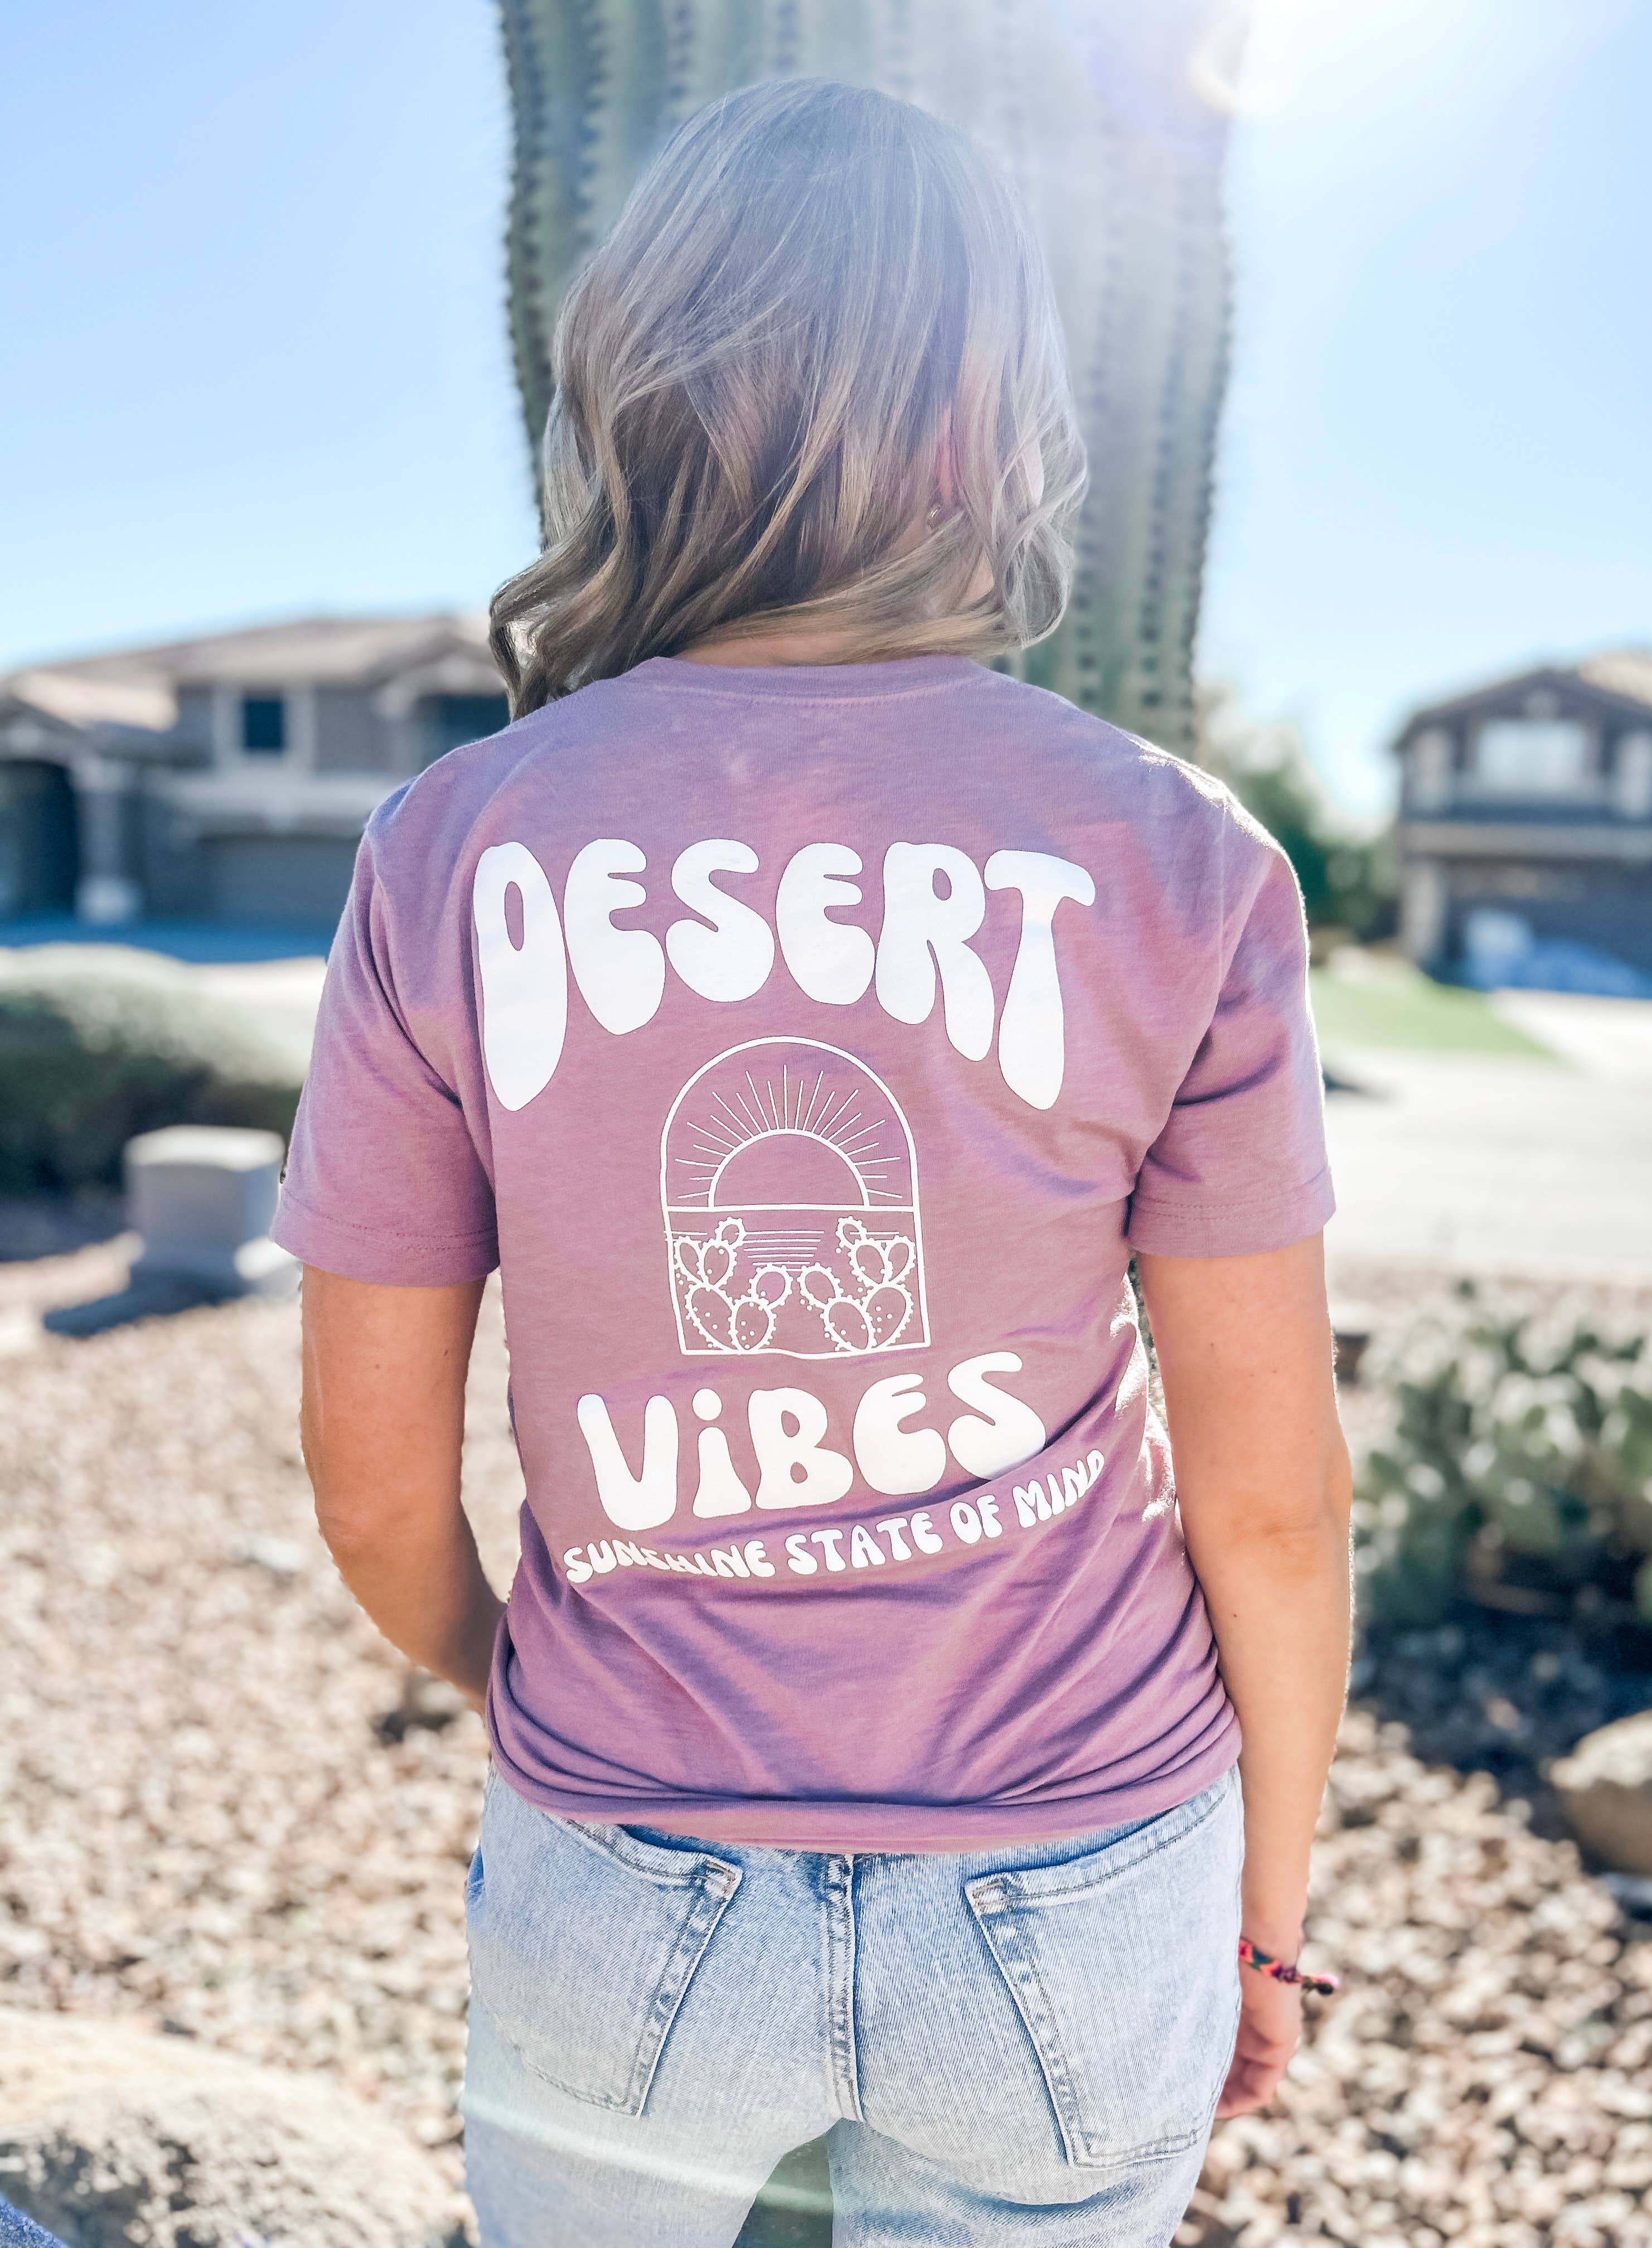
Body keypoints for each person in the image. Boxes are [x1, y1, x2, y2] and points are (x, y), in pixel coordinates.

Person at [277, 77, 1351, 2248]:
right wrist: (1267, 1909)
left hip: (628, 1868)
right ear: (993, 425)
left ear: (632, 407)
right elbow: (1270, 1497)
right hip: (1077, 1862)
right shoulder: (1180, 859)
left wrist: (528, 1689)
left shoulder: (452, 853)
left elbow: (377, 1491)